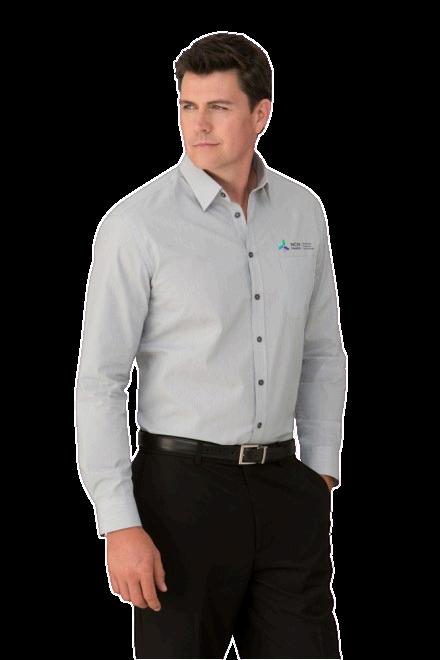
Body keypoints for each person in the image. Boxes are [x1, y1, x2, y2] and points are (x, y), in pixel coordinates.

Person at [75, 30, 347, 659]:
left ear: (261, 113)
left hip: (287, 488)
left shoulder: (303, 212)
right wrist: (119, 522)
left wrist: (321, 470)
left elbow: (322, 350)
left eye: (218, 107)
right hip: (179, 497)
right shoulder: (136, 225)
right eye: (188, 106)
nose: (198, 125)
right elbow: (100, 380)